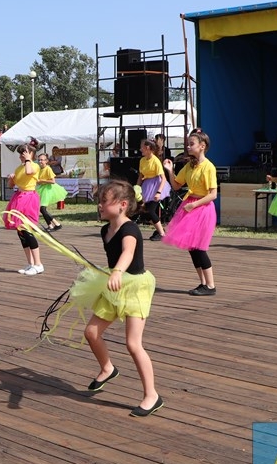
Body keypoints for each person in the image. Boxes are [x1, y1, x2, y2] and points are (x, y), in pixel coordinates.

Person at [83, 181, 163, 417]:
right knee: (91, 333)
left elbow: (128, 252)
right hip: (114, 284)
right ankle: (107, 368)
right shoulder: (105, 230)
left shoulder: (130, 229)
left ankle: (152, 395)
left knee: (133, 344)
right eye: (99, 201)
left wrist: (117, 271)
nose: (99, 205)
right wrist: (113, 273)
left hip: (135, 287)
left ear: (123, 205)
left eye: (104, 201)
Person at [162, 129, 218, 296]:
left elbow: (213, 194)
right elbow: (176, 185)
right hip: (190, 205)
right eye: (188, 143)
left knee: (199, 247)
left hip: (202, 208)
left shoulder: (208, 167)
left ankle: (211, 285)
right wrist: (170, 170)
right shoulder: (189, 166)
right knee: (192, 247)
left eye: (191, 144)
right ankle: (203, 283)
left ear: (202, 146)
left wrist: (194, 205)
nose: (188, 146)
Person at [2, 141, 43, 275]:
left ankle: (38, 264)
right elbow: (11, 185)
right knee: (20, 232)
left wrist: (28, 160)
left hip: (29, 198)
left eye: (24, 153)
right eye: (21, 154)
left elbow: (29, 171)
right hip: (19, 198)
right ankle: (30, 263)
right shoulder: (19, 168)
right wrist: (11, 178)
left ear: (31, 154)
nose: (21, 156)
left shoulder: (34, 166)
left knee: (27, 230)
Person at [137, 139, 170, 241]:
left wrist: (158, 192)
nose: (140, 149)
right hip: (147, 186)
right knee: (144, 212)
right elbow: (141, 176)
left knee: (150, 211)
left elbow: (163, 178)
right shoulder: (142, 160)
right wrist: (137, 188)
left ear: (147, 148)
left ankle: (162, 234)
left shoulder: (155, 161)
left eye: (142, 147)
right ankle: (160, 230)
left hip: (156, 186)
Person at [36, 152, 67, 232]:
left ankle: (56, 224)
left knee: (42, 208)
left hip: (48, 189)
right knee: (41, 209)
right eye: (39, 160)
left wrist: (42, 180)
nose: (40, 161)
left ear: (46, 161)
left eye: (42, 160)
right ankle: (51, 225)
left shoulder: (48, 169)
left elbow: (53, 181)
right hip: (42, 189)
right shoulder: (39, 169)